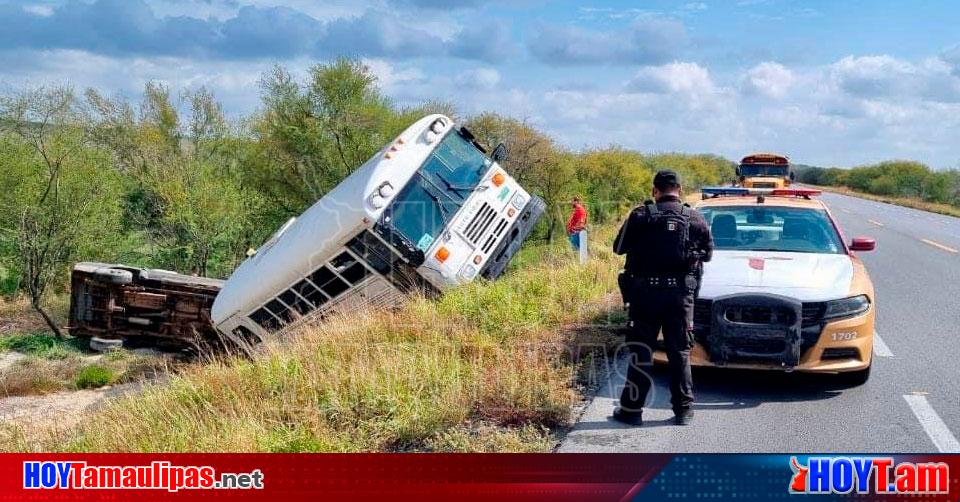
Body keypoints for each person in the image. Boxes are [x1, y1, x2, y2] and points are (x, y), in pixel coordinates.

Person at [611, 170, 713, 426]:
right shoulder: (695, 218)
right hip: (679, 298)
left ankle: (632, 411)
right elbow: (708, 254)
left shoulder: (640, 215)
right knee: (680, 353)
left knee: (641, 352)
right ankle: (684, 411)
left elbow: (618, 247)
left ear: (654, 191)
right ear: (679, 189)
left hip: (645, 296)